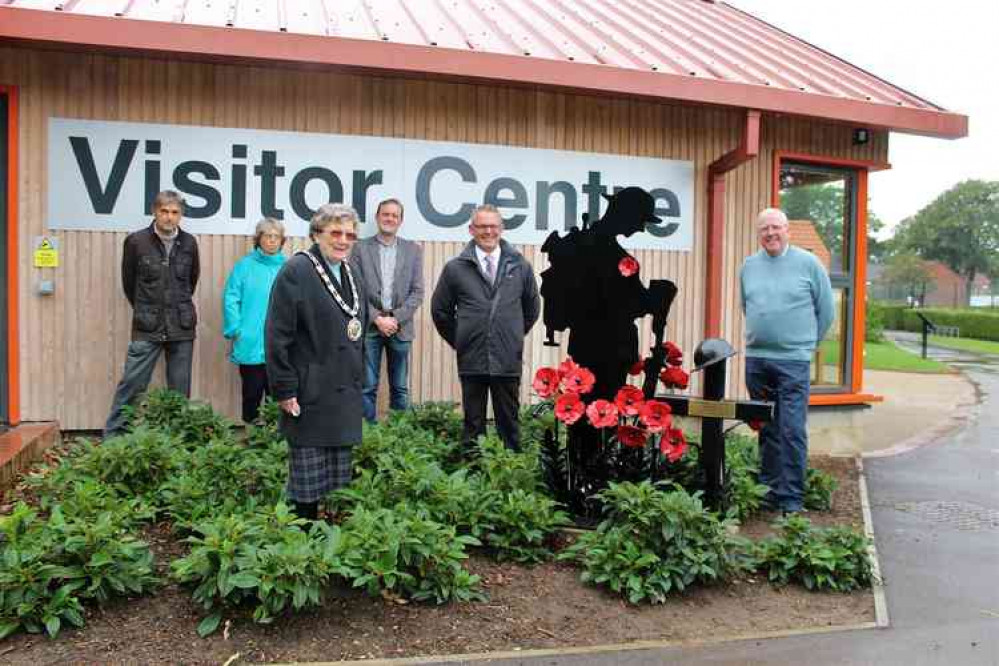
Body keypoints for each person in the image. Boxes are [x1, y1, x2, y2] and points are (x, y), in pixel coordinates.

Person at [265, 203, 366, 521]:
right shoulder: (297, 270)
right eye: (335, 232)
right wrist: (284, 389)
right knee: (306, 488)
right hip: (309, 394)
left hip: (343, 395)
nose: (344, 240)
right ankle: (301, 556)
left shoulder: (350, 270)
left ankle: (332, 550)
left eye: (350, 234)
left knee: (337, 486)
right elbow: (277, 335)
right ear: (316, 234)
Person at [740, 207, 834, 515]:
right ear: (759, 234)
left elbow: (826, 311)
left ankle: (792, 497)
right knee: (767, 429)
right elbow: (747, 305)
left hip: (793, 362)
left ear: (787, 230)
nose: (770, 233)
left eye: (776, 227)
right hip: (757, 361)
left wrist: (804, 346)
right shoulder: (749, 266)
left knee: (791, 429)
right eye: (764, 229)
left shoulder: (809, 264)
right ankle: (769, 490)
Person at [431, 204, 540, 452]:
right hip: (472, 357)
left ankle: (510, 472)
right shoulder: (455, 268)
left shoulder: (520, 266)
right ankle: (472, 475)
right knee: (473, 423)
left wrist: (509, 335)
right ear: (471, 230)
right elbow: (440, 312)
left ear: (501, 229)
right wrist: (462, 339)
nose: (488, 231)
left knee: (509, 423)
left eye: (493, 226)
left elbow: (532, 308)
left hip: (507, 357)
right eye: (482, 226)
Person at [104, 190, 200, 437]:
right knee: (132, 384)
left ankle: (175, 440)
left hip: (181, 325)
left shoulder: (189, 243)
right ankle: (115, 438)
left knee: (180, 390)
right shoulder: (137, 241)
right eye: (164, 211)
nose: (169, 217)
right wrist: (146, 309)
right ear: (154, 212)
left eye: (175, 212)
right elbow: (129, 283)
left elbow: (191, 281)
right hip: (147, 326)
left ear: (181, 215)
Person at [349, 198, 425, 422]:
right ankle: (369, 438)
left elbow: (417, 291)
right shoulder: (360, 249)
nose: (389, 218)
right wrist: (377, 319)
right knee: (367, 386)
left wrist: (394, 318)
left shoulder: (413, 250)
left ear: (400, 221)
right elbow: (355, 289)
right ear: (377, 217)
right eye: (385, 214)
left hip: (400, 328)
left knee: (400, 387)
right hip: (370, 327)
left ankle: (398, 436)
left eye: (394, 215)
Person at [223, 218, 287, 424]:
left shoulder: (289, 267)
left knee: (276, 395)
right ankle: (250, 433)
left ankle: (273, 440)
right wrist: (236, 328)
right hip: (250, 340)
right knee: (252, 392)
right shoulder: (244, 266)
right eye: (267, 236)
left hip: (280, 343)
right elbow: (231, 297)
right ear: (258, 239)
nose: (271, 240)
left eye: (276, 236)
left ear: (281, 241)